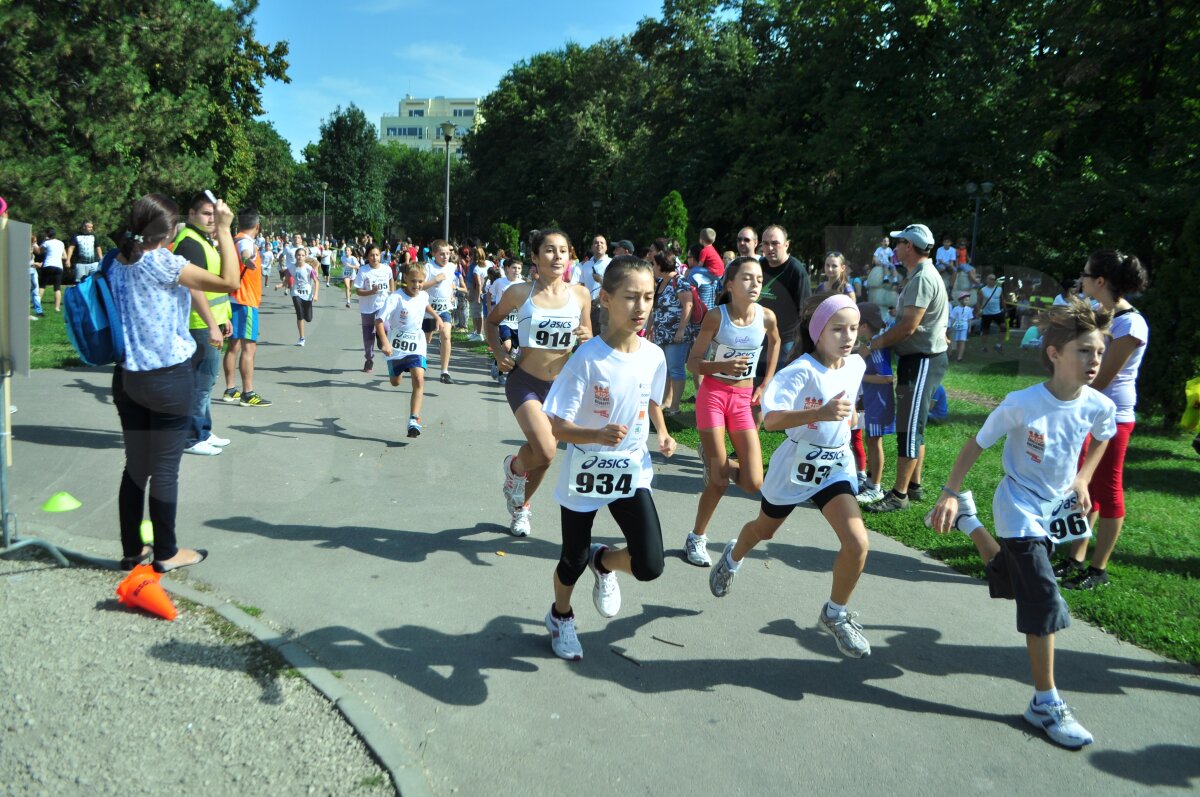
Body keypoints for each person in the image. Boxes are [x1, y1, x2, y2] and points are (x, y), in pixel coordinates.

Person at [930, 301, 1117, 749]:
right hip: (1017, 503)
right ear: (1054, 353)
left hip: (1055, 509)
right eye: (1084, 351)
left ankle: (972, 526)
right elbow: (976, 443)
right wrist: (949, 492)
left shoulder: (1098, 405)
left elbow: (1104, 436)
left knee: (1013, 577)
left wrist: (1083, 477)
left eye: (1098, 352)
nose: (1094, 361)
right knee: (1041, 593)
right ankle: (1045, 702)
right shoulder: (1022, 403)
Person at [708, 293, 873, 659]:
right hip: (795, 465)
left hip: (834, 466)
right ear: (818, 333)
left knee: (858, 543)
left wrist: (849, 417)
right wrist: (821, 414)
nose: (848, 337)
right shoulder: (800, 371)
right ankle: (732, 558)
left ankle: (835, 614)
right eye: (838, 329)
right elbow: (771, 420)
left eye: (853, 329)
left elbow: (850, 405)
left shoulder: (856, 365)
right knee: (764, 531)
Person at [541, 255, 676, 661]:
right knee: (571, 560)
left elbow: (650, 402)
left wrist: (664, 432)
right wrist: (595, 434)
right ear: (606, 298)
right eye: (631, 297)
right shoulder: (587, 359)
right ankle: (560, 615)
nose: (641, 308)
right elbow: (556, 426)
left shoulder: (654, 355)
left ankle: (606, 561)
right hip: (587, 469)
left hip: (630, 471)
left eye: (649, 297)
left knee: (650, 563)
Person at [107, 193, 241, 573]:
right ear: (167, 233)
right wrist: (226, 230)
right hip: (167, 377)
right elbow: (229, 281)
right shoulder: (163, 263)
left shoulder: (117, 263)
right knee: (165, 468)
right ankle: (166, 551)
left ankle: (133, 549)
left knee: (135, 466)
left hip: (127, 376)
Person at [486, 229, 592, 538]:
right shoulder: (520, 293)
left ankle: (521, 508)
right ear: (535, 257)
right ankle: (515, 468)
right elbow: (492, 323)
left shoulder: (581, 294)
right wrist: (496, 351)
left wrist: (587, 337)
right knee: (545, 451)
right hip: (525, 382)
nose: (557, 256)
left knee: (544, 458)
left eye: (563, 250)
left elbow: (588, 339)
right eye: (549, 250)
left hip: (561, 388)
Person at [1055, 251, 1150, 590]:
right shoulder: (1101, 315)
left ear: (1100, 281)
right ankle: (1075, 558)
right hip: (1087, 411)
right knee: (1083, 486)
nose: (1080, 279)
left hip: (1114, 417)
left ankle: (1099, 569)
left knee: (1107, 491)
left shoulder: (1130, 324)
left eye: (1085, 274)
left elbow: (1102, 377)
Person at [684, 256, 780, 566]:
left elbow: (776, 343)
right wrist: (721, 366)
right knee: (720, 480)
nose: (755, 284)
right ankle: (696, 537)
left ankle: (717, 461)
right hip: (713, 396)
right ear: (731, 285)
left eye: (759, 280)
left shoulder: (766, 318)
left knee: (754, 483)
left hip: (742, 400)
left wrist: (765, 384)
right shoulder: (716, 317)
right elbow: (693, 362)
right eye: (747, 278)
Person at [863, 223, 949, 514]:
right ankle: (914, 485)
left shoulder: (923, 277)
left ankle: (899, 495)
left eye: (899, 243)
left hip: (923, 358)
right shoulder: (920, 274)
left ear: (909, 247)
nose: (895, 248)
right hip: (920, 358)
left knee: (909, 427)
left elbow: (909, 326)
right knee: (914, 425)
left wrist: (875, 343)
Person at [173, 194, 232, 456]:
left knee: (206, 382)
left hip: (210, 320)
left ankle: (203, 430)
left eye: (213, 214)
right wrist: (212, 325)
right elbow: (194, 289)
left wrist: (223, 318)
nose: (212, 218)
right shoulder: (190, 243)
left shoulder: (202, 241)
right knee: (199, 383)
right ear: (191, 214)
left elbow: (211, 286)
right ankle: (191, 437)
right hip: (198, 323)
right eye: (206, 214)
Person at [376, 262, 441, 438]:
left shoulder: (423, 295)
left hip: (417, 342)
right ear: (405, 279)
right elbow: (379, 321)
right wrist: (385, 343)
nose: (417, 285)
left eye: (420, 281)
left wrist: (437, 317)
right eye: (413, 281)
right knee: (395, 382)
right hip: (396, 345)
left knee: (419, 379)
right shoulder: (395, 298)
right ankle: (398, 370)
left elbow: (425, 305)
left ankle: (414, 418)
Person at [220, 209, 271, 407]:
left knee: (233, 346)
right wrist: (247, 259)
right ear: (257, 226)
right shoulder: (245, 242)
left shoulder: (232, 240)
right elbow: (245, 252)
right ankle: (248, 393)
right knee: (249, 347)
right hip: (245, 301)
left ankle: (230, 389)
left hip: (232, 299)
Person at [647, 249, 695, 416]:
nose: (652, 267)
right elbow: (656, 308)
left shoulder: (679, 282)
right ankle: (666, 401)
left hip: (676, 335)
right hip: (661, 334)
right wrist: (649, 327)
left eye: (654, 264)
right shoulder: (661, 282)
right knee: (664, 369)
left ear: (661, 265)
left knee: (676, 369)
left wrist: (680, 331)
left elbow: (688, 306)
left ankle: (675, 406)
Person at [855, 302, 893, 505]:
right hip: (871, 402)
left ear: (863, 325)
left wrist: (861, 376)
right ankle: (870, 481)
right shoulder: (869, 344)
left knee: (875, 442)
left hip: (879, 402)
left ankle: (875, 488)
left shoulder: (875, 347)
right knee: (870, 441)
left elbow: (887, 377)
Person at [421, 239, 458, 384]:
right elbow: (421, 286)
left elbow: (451, 283)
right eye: (442, 254)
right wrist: (435, 280)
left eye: (448, 254)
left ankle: (444, 372)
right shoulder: (428, 268)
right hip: (428, 310)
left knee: (446, 335)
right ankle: (421, 360)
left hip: (444, 309)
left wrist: (451, 293)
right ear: (434, 254)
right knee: (426, 340)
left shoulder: (451, 267)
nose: (445, 257)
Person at [354, 244, 394, 373]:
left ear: (380, 255)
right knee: (368, 336)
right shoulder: (363, 270)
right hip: (367, 308)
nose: (374, 257)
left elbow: (391, 280)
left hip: (382, 305)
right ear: (367, 256)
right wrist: (371, 292)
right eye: (371, 255)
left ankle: (381, 338)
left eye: (377, 255)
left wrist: (392, 293)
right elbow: (358, 291)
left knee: (386, 327)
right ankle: (369, 359)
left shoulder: (386, 269)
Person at [488, 258, 523, 386]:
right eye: (514, 268)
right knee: (507, 346)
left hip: (518, 322)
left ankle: (497, 362)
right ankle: (501, 373)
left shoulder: (522, 284)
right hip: (503, 320)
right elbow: (489, 294)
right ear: (507, 268)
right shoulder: (499, 282)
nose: (516, 271)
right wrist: (490, 309)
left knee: (515, 350)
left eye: (519, 268)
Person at [290, 250, 319, 345]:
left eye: (302, 255)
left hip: (307, 294)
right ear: (295, 256)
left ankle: (306, 316)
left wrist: (315, 294)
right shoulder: (291, 267)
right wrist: (281, 284)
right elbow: (287, 278)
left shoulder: (309, 268)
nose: (300, 257)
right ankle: (302, 338)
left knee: (308, 318)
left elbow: (316, 281)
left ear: (305, 257)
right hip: (295, 293)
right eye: (298, 255)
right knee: (299, 315)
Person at [34, 228, 66, 312]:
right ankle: (57, 307)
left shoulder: (46, 243)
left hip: (48, 265)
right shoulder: (61, 243)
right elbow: (65, 256)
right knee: (57, 287)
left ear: (47, 234)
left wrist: (41, 242)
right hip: (58, 266)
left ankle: (37, 304)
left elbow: (38, 251)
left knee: (42, 286)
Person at [977, 273, 1006, 352]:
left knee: (1003, 327)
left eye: (994, 279)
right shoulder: (982, 290)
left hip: (997, 312)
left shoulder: (999, 289)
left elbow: (1002, 299)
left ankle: (999, 344)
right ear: (987, 280)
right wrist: (979, 310)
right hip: (986, 313)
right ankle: (984, 346)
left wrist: (1005, 310)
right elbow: (979, 301)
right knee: (985, 331)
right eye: (991, 279)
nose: (993, 281)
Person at [948, 291, 974, 362]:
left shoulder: (969, 309)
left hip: (964, 327)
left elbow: (969, 319)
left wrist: (969, 327)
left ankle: (959, 357)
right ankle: (958, 355)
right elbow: (953, 318)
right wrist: (952, 327)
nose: (967, 301)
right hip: (957, 327)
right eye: (966, 300)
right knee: (957, 342)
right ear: (960, 300)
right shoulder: (956, 308)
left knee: (962, 341)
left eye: (968, 300)